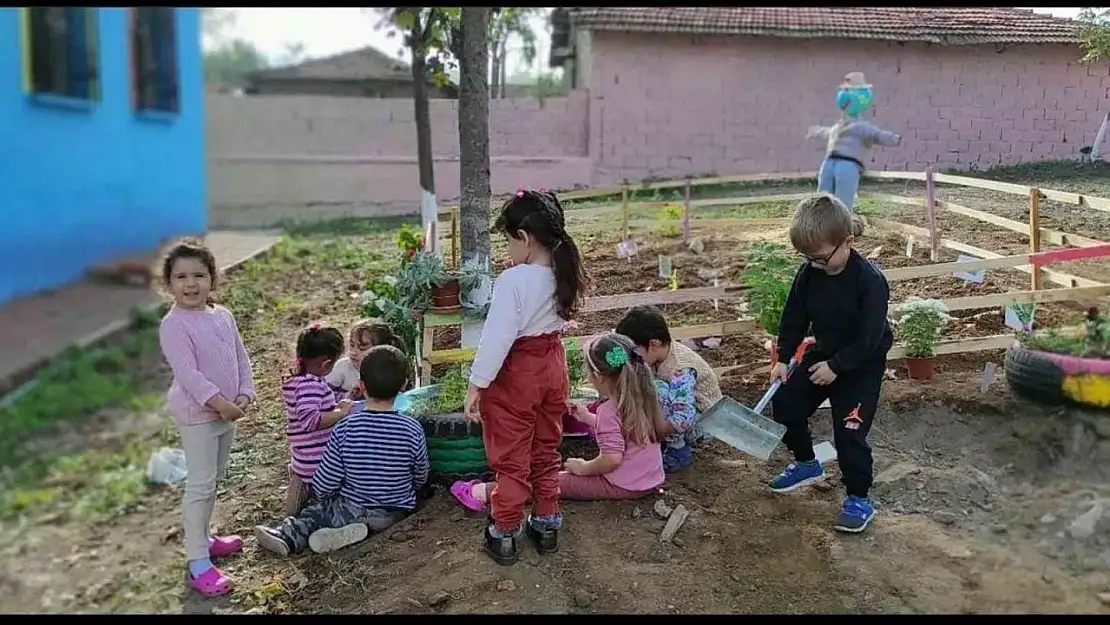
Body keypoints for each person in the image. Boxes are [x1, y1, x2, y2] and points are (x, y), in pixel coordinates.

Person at [462, 188, 588, 565]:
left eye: (509, 240)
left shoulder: (514, 280)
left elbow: (497, 338)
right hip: (552, 364)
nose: (508, 249)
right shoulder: (561, 273)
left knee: (512, 458)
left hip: (518, 371)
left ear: (526, 238)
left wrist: (476, 384)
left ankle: (504, 531)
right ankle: (547, 524)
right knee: (546, 447)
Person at [769, 193, 893, 534]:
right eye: (807, 258)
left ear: (848, 242)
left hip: (861, 362)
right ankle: (807, 462)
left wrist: (837, 367)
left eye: (821, 258)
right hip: (826, 352)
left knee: (849, 431)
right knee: (785, 404)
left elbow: (870, 338)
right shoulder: (809, 273)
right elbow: (793, 316)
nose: (814, 264)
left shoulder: (870, 281)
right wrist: (783, 359)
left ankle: (858, 498)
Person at [451, 333, 664, 511]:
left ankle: (484, 493)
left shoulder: (608, 410)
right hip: (649, 479)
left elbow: (612, 459)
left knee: (552, 481)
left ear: (598, 377)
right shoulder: (642, 396)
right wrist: (587, 418)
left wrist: (584, 467)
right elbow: (624, 429)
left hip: (621, 484)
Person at [255, 345, 429, 556]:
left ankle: (288, 536)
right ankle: (355, 533)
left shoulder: (346, 426)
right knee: (363, 514)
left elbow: (326, 480)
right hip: (395, 512)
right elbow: (420, 472)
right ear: (403, 385)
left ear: (362, 386)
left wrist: (322, 496)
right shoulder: (412, 427)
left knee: (315, 513)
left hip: (351, 508)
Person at [157, 238, 255, 598]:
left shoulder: (223, 316)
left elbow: (240, 357)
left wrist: (245, 392)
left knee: (213, 479)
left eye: (199, 274)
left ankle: (207, 537)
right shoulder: (174, 325)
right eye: (181, 276)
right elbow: (188, 375)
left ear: (213, 278)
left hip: (227, 410)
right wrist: (220, 403)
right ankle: (198, 560)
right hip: (198, 415)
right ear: (169, 284)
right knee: (200, 485)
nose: (191, 283)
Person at [615, 305, 723, 473]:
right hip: (680, 412)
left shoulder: (681, 369)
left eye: (634, 352)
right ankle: (659, 441)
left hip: (704, 422)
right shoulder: (654, 355)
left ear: (653, 345)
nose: (631, 358)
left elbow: (684, 416)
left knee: (657, 390)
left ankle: (677, 451)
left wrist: (655, 430)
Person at [807, 71, 902, 225]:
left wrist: (816, 131)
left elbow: (826, 132)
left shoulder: (846, 127)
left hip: (830, 163)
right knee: (839, 203)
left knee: (825, 201)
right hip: (846, 165)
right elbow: (878, 135)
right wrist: (895, 139)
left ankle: (823, 229)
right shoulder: (859, 127)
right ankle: (833, 231)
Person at [281, 324, 354, 516]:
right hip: (318, 457)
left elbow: (315, 407)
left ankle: (295, 500)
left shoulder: (296, 380)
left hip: (301, 454)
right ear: (326, 364)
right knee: (334, 489)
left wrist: (343, 400)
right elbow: (311, 420)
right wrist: (341, 413)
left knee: (301, 477)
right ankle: (314, 510)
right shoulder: (311, 385)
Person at [326, 319, 405, 400]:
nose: (353, 352)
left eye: (362, 348)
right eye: (352, 345)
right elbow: (323, 397)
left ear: (381, 348)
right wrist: (348, 396)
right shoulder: (341, 367)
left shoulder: (389, 371)